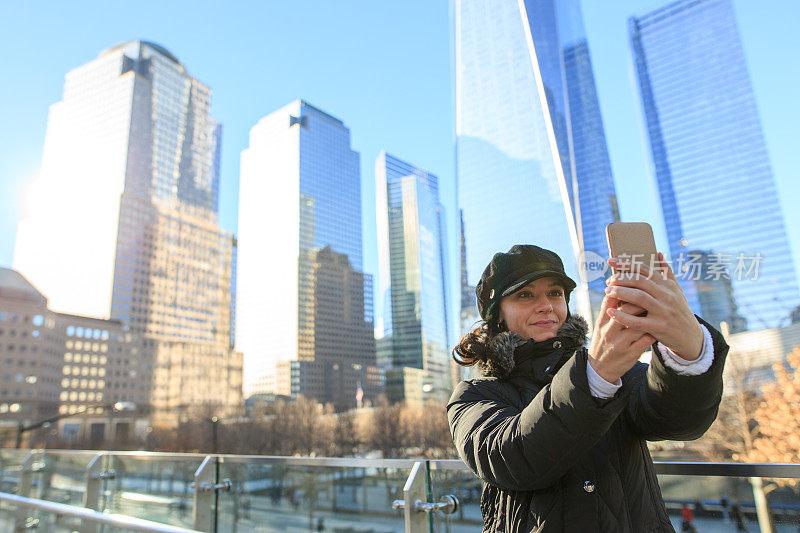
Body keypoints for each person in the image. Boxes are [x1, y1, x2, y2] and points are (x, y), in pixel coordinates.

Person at [448, 245, 728, 532]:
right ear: (497, 316)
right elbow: (513, 459)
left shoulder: (620, 373)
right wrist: (595, 374)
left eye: (555, 293)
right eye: (525, 294)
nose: (546, 305)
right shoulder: (474, 395)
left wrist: (688, 350)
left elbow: (679, 422)